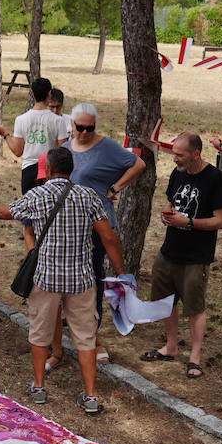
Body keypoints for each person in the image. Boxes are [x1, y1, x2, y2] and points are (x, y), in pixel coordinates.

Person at [0, 146, 127, 415]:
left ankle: (38, 387)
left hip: (46, 278)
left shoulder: (37, 195)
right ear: (71, 170)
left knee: (39, 332)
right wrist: (121, 271)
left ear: (47, 170)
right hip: (81, 279)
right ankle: (90, 395)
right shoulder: (89, 196)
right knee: (85, 337)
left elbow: (6, 212)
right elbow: (108, 238)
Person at [139, 133, 222, 380]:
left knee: (194, 306)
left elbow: (221, 221)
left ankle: (195, 358)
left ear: (196, 154)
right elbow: (171, 201)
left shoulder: (215, 178)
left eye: (180, 154)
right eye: (174, 153)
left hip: (196, 255)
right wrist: (167, 213)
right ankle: (170, 347)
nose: (175, 158)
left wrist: (187, 221)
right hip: (170, 249)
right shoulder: (178, 173)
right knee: (166, 301)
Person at [65, 103, 144, 366]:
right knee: (70, 279)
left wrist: (116, 186)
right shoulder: (65, 148)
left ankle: (94, 337)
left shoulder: (107, 146)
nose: (85, 132)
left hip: (96, 225)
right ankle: (73, 327)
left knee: (93, 278)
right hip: (69, 226)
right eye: (80, 127)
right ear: (72, 124)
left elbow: (138, 164)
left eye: (90, 128)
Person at [0, 76, 69, 193]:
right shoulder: (58, 121)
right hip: (51, 171)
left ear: (32, 95)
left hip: (28, 170)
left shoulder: (21, 119)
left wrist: (5, 134)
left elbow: (18, 151)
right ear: (49, 94)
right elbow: (63, 152)